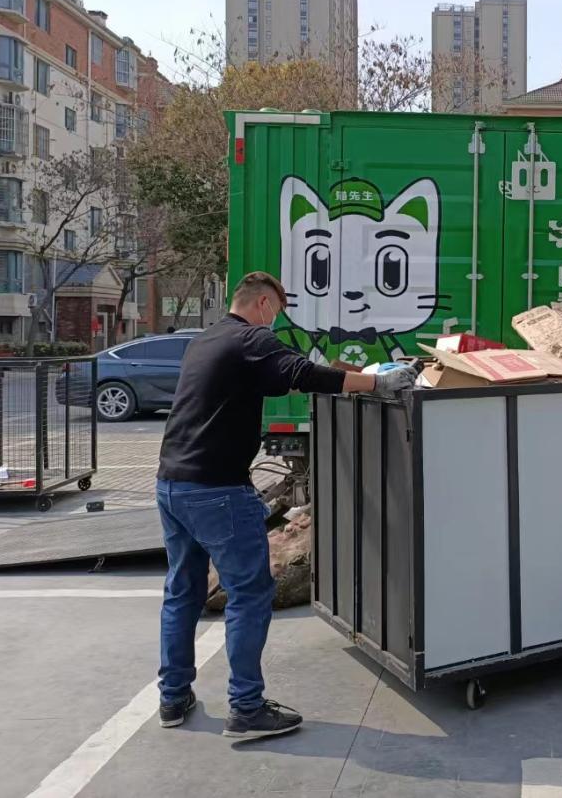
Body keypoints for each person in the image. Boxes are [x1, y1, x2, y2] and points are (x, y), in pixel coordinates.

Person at [154, 271, 415, 739]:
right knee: (250, 594)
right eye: (276, 310)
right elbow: (302, 373)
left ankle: (172, 698)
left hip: (172, 484)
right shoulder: (251, 338)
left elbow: (272, 382)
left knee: (182, 591)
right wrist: (376, 383)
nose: (276, 321)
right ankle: (246, 708)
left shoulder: (205, 341)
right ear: (262, 304)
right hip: (217, 490)